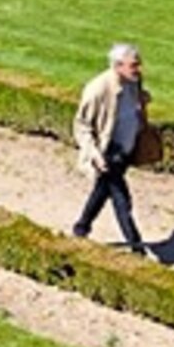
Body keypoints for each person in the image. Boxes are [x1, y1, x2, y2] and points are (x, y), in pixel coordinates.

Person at [70, 41, 154, 256]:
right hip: (108, 153)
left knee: (102, 191)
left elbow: (134, 102)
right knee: (121, 200)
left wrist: (143, 102)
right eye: (134, 65)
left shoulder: (133, 80)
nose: (138, 69)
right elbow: (81, 126)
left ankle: (81, 228)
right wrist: (95, 154)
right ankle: (137, 248)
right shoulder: (97, 90)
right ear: (118, 66)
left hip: (126, 148)